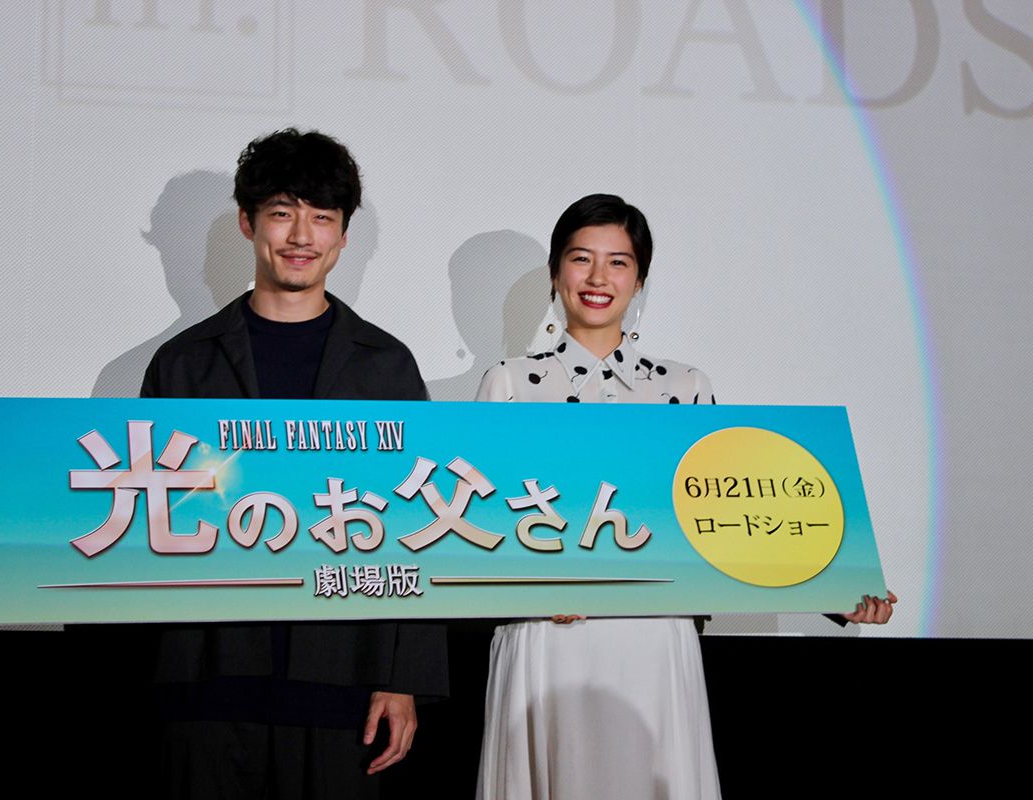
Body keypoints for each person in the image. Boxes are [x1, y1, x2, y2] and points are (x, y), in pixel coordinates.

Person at [473, 194, 894, 799]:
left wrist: (836, 590)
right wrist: (536, 590)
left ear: (640, 279)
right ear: (556, 272)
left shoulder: (684, 386)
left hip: (654, 637)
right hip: (547, 636)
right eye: (581, 258)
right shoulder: (509, 382)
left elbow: (726, 518)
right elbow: (479, 524)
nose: (598, 278)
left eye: (618, 262)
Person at [141, 128, 448, 799]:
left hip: (341, 680)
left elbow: (419, 526)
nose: (301, 235)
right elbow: (143, 525)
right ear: (248, 223)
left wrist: (402, 678)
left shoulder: (386, 367)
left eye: (322, 217)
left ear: (343, 236)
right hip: (206, 677)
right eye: (282, 213)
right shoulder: (184, 364)